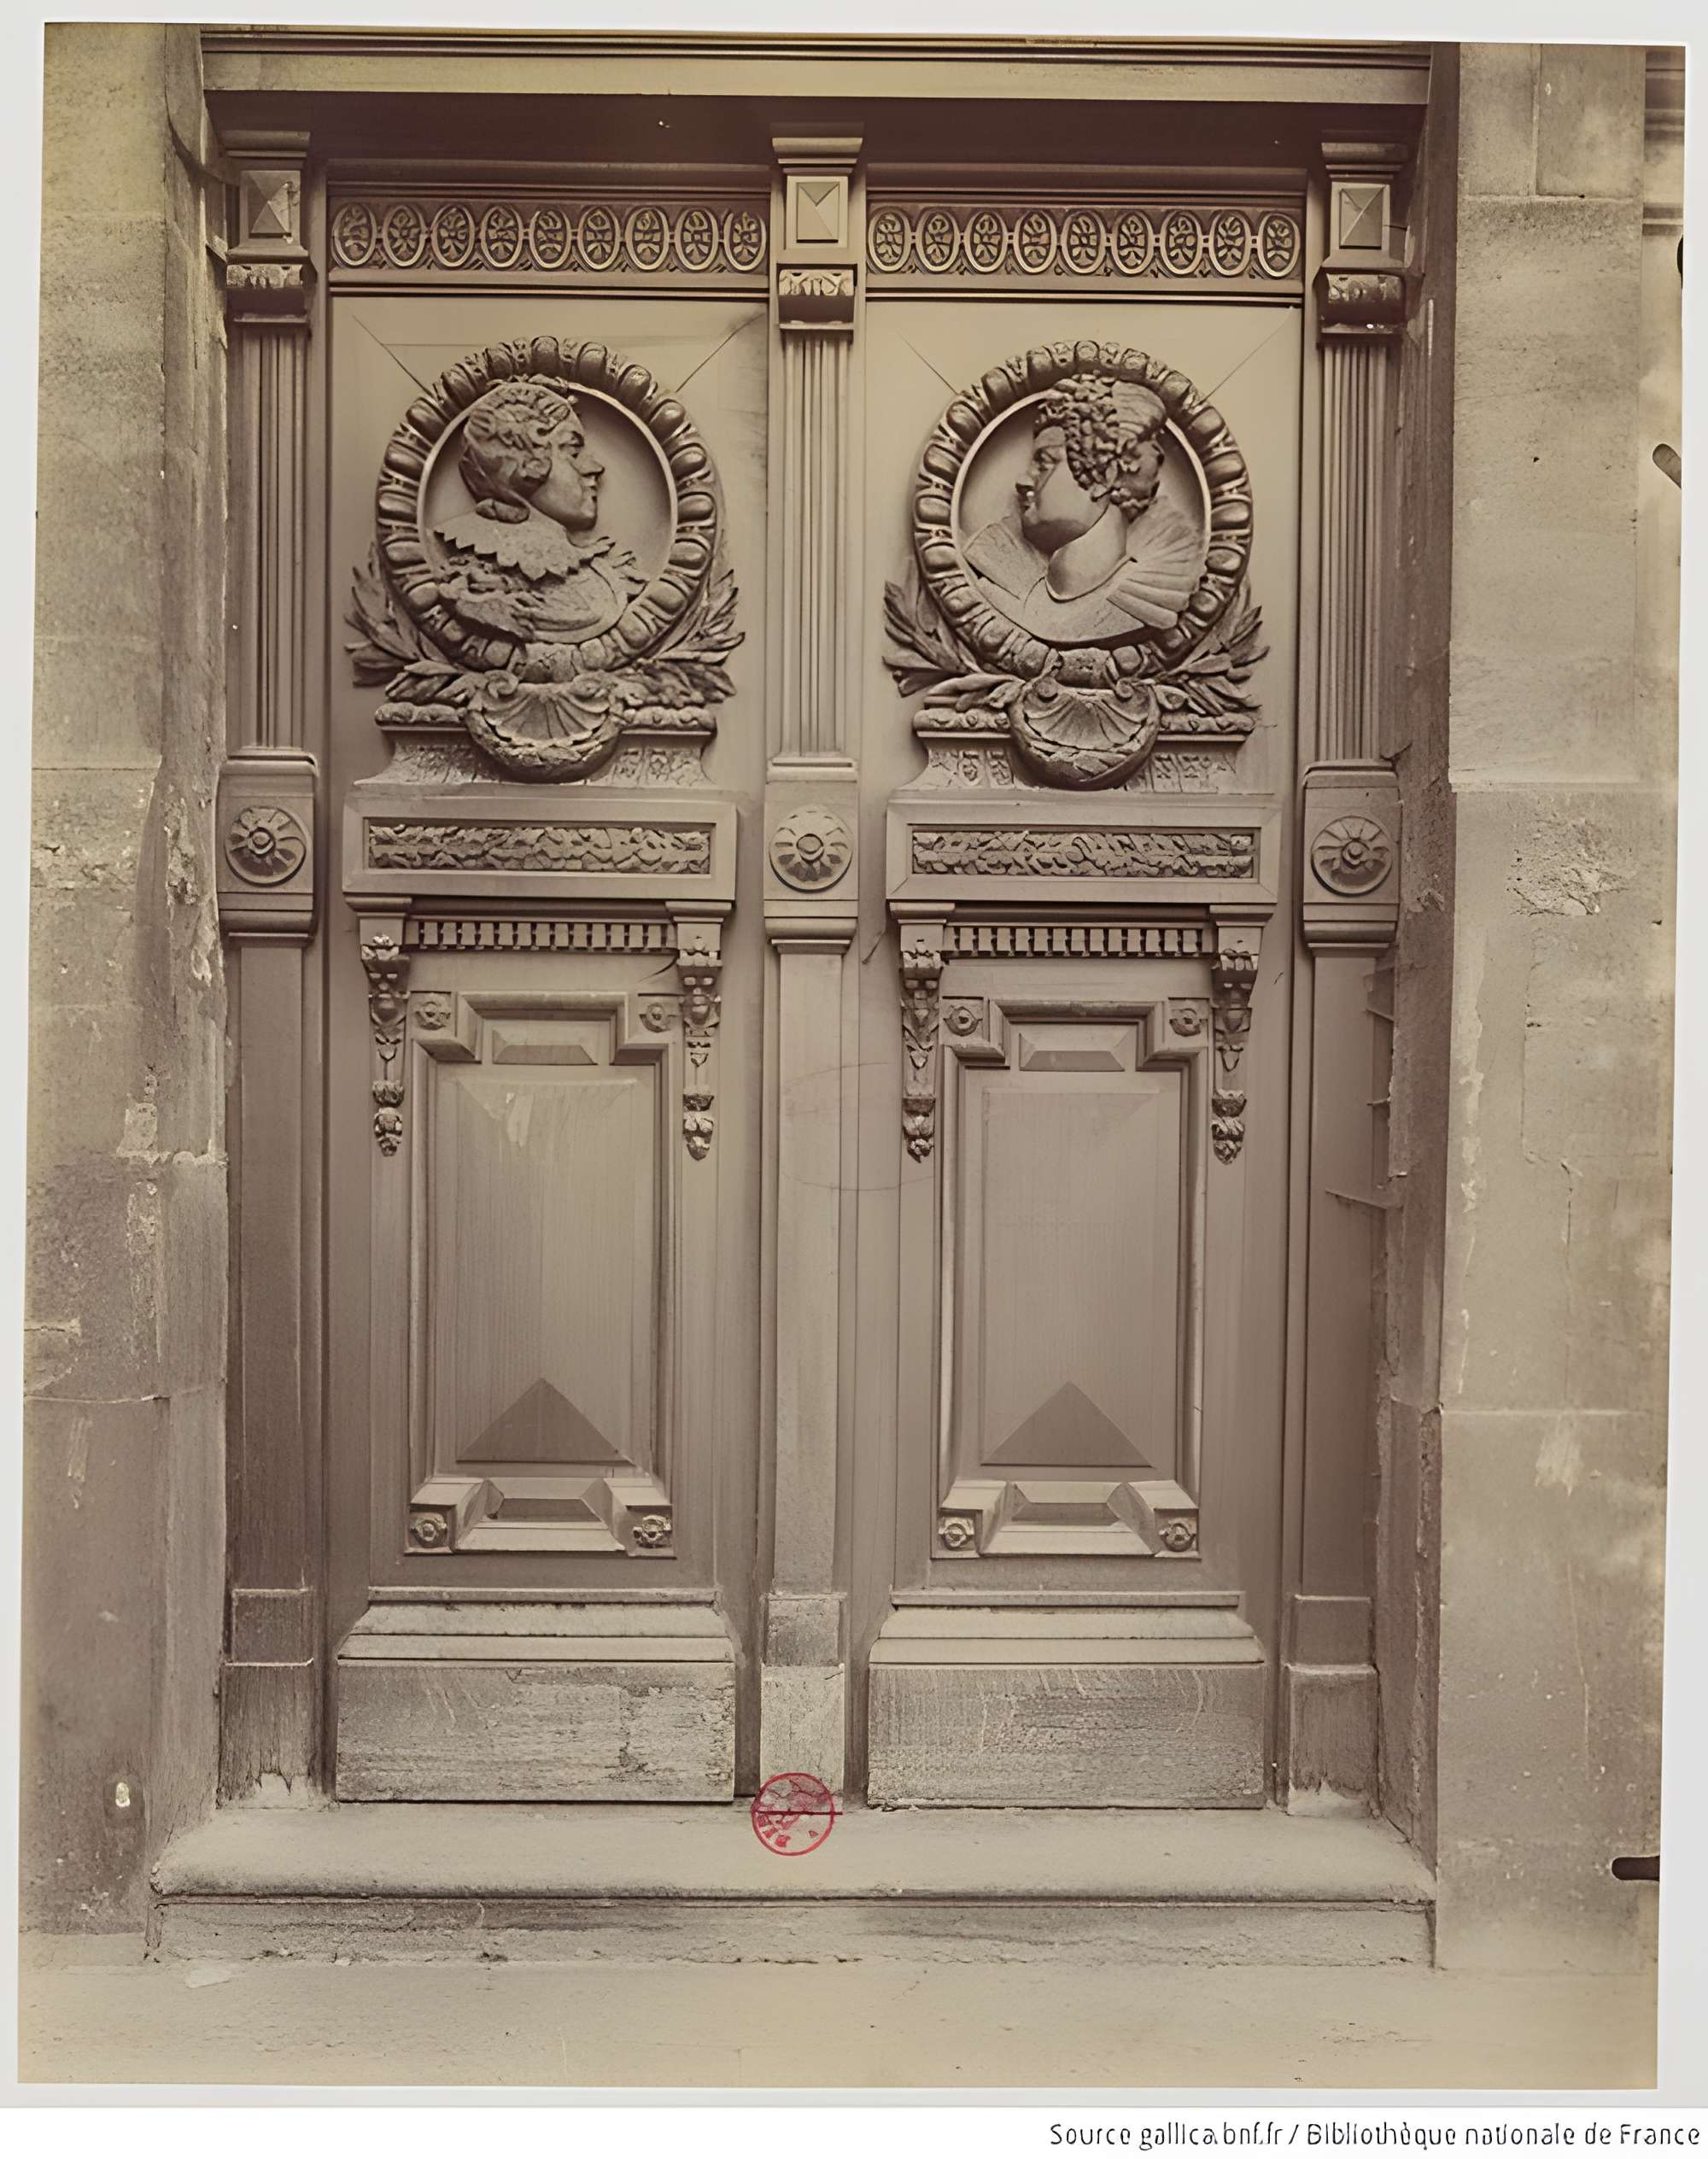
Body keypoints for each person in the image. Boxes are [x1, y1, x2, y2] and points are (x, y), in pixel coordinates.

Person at [964, 374, 1205, 645]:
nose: (1023, 481)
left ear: (1104, 477)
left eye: (1044, 464)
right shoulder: (1000, 575)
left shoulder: (1153, 597)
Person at [433, 379, 645, 650]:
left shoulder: (600, 572)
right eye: (574, 451)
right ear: (527, 463)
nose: (595, 467)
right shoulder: (472, 576)